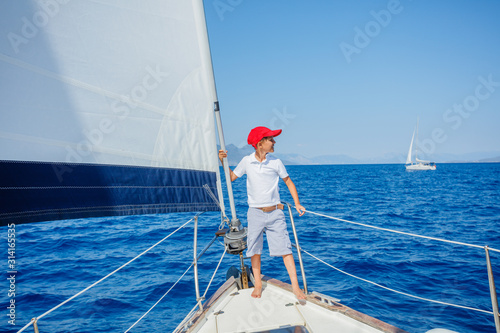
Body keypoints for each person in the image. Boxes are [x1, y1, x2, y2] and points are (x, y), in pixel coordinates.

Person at [218, 126, 307, 300]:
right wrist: (223, 162)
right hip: (255, 213)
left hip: (275, 212)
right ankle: (258, 285)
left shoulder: (276, 162)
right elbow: (231, 178)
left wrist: (296, 203)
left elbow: (288, 182)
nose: (274, 142)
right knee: (254, 250)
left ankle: (296, 287)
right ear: (260, 143)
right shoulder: (246, 161)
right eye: (271, 139)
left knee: (286, 249)